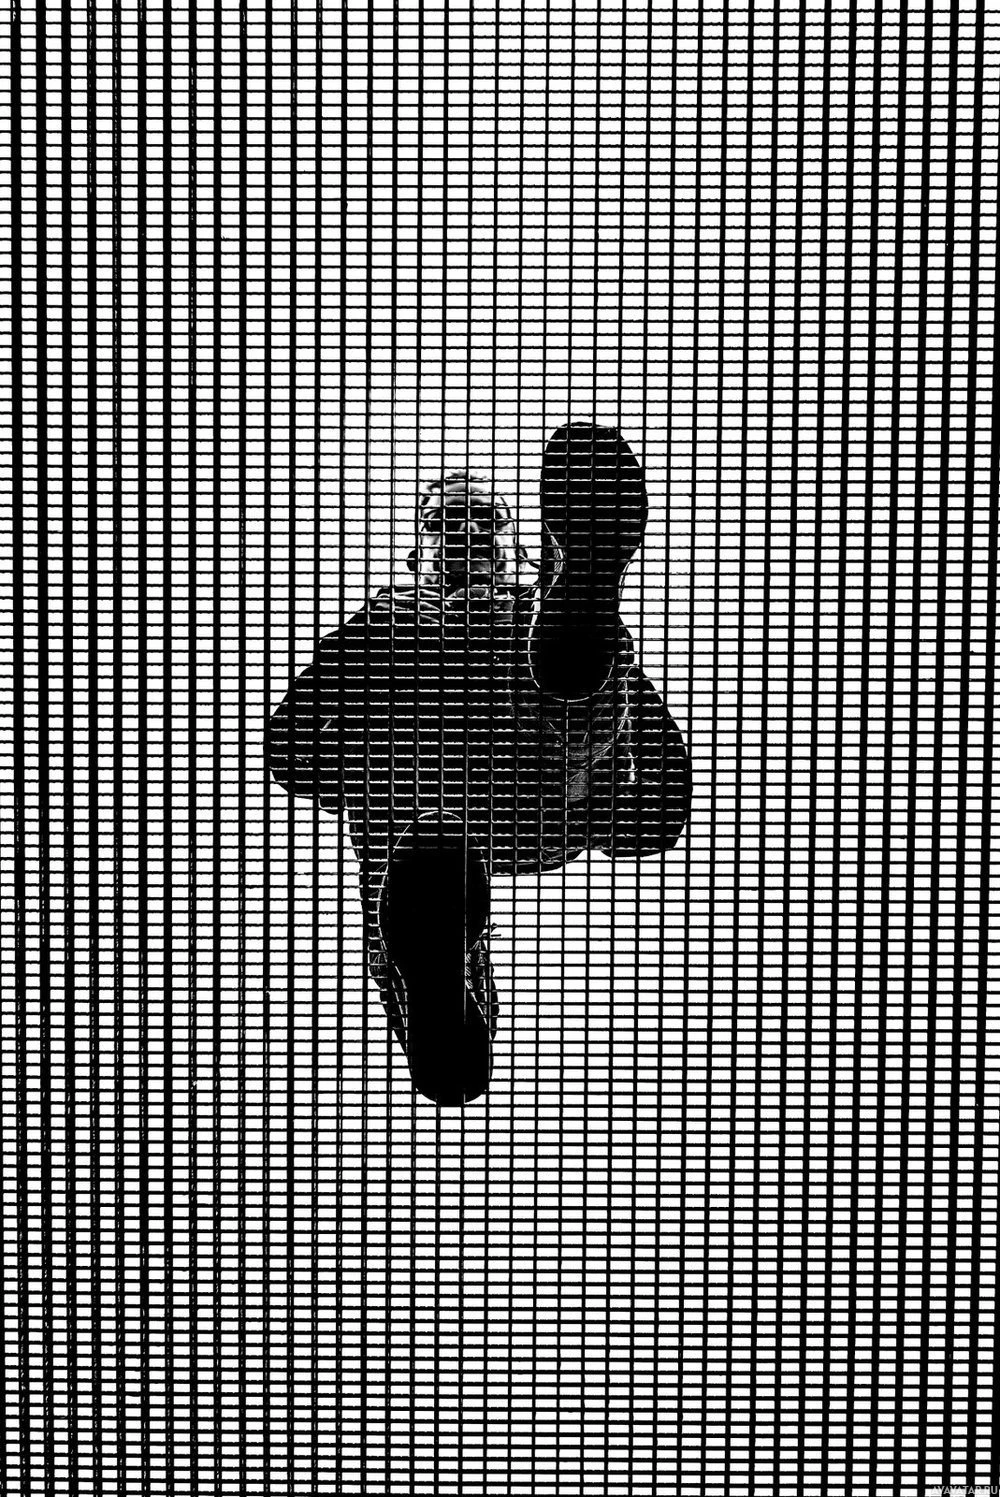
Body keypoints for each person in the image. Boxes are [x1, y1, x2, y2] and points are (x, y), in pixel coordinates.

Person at [267, 422, 691, 1105]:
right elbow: (291, 742)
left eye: (484, 519)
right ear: (418, 553)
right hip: (432, 820)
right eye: (445, 521)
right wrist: (361, 771)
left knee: (566, 672)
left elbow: (649, 744)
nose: (465, 531)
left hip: (535, 786)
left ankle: (577, 597)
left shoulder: (504, 615)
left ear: (512, 547)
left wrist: (638, 816)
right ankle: (448, 1018)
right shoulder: (379, 625)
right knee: (416, 897)